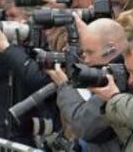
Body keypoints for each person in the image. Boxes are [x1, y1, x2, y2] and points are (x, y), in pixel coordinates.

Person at [46, 18, 127, 152]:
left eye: (90, 52)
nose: (86, 60)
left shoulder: (120, 77)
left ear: (111, 48)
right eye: (83, 53)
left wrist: (64, 85)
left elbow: (84, 124)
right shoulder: (113, 70)